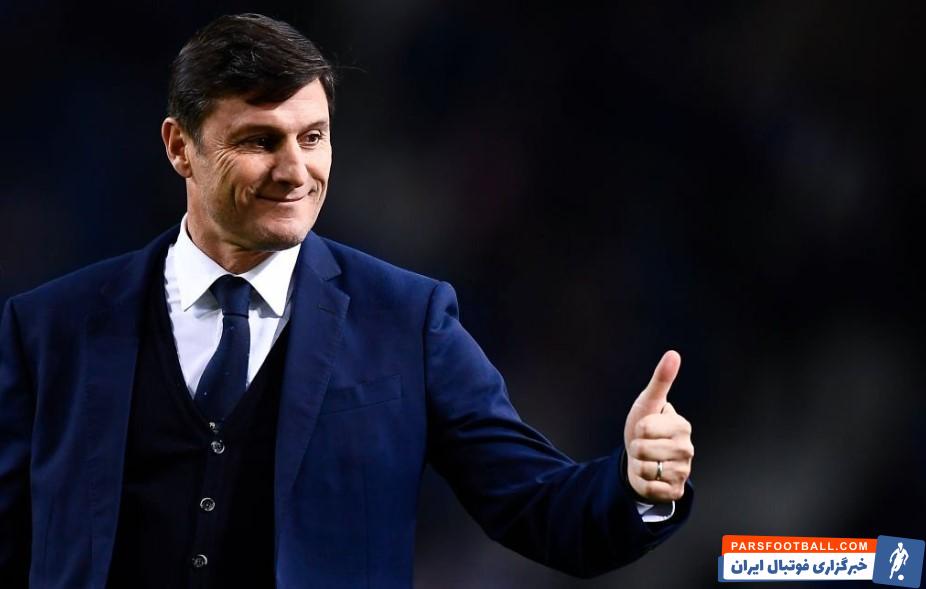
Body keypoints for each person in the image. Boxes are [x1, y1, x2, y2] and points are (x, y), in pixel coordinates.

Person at [0, 13, 694, 588]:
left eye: (313, 137)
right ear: (180, 147)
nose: (295, 170)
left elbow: (541, 508)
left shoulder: (409, 320)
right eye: (259, 141)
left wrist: (637, 486)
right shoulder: (49, 329)